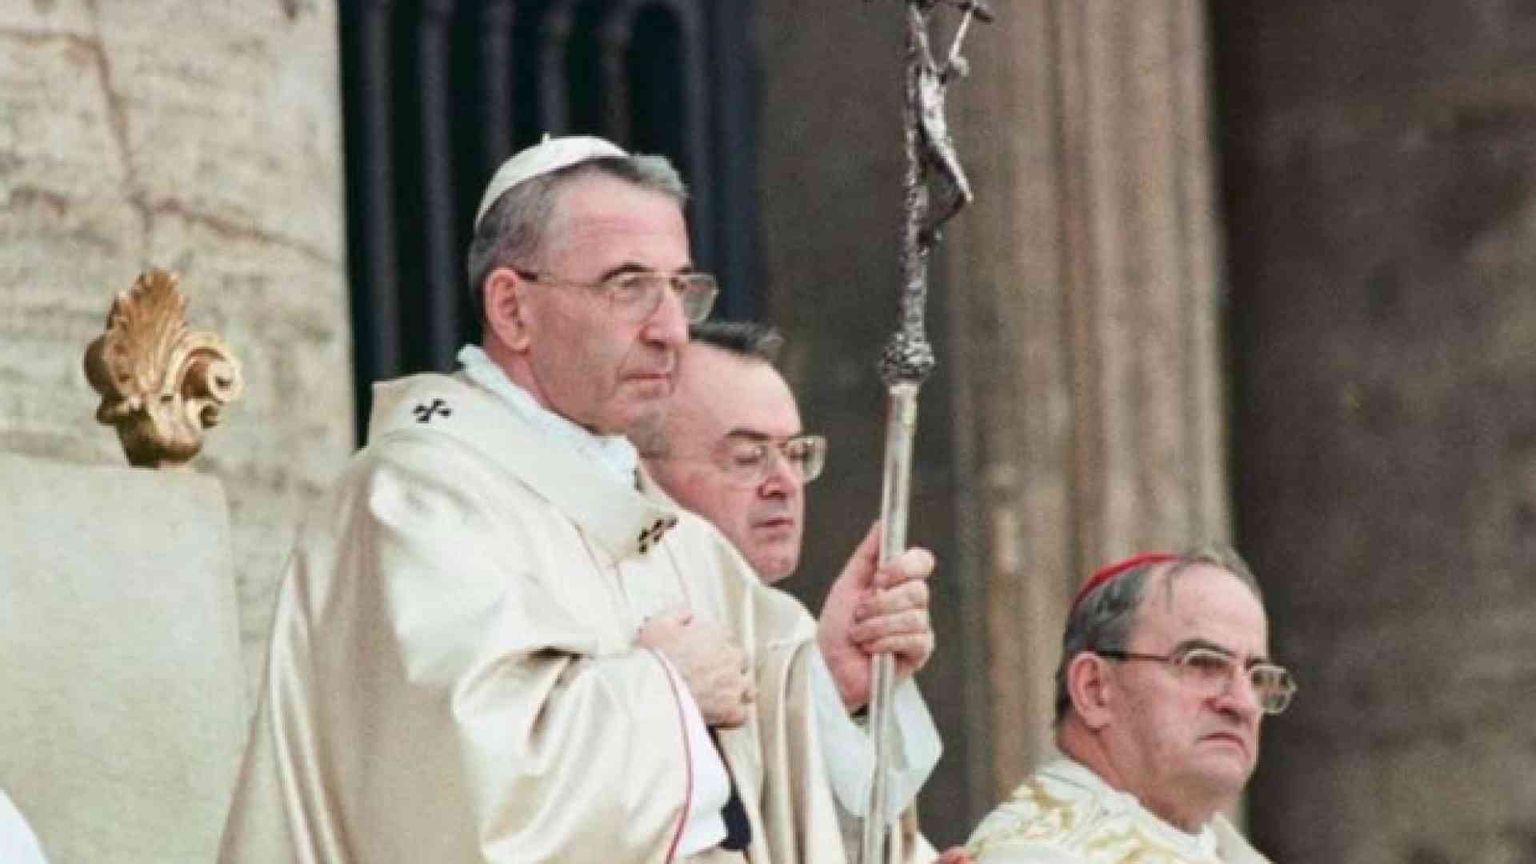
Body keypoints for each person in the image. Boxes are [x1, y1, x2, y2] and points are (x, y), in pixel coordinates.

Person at [218, 135, 936, 863]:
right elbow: (460, 799)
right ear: (512, 308)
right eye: (628, 286)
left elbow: (773, 793)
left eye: (681, 289)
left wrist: (833, 682)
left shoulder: (671, 534)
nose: (671, 330)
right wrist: (667, 691)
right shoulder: (414, 503)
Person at [636, 321, 943, 852]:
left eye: (795, 454)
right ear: (645, 470)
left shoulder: (788, 632)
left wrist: (836, 687)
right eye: (748, 457)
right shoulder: (629, 622)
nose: (784, 483)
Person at [961, 549, 1294, 863]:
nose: (1243, 703)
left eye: (1257, 677)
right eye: (1202, 663)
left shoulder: (1216, 847)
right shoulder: (1038, 853)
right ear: (1093, 689)